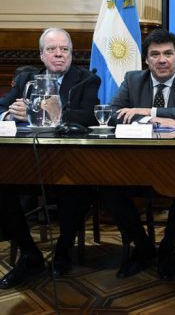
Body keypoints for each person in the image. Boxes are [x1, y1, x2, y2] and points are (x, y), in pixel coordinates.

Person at [103, 28, 175, 279]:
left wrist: (151, 112)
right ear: (146, 60)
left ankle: (168, 248)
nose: (162, 60)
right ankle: (143, 247)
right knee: (108, 188)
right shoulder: (133, 80)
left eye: (168, 54)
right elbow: (113, 114)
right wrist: (152, 119)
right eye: (155, 54)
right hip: (137, 163)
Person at [0, 27, 100, 289]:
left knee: (75, 192)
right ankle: (30, 255)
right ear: (42, 55)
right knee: (2, 190)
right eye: (52, 49)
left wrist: (48, 113)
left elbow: (88, 116)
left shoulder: (86, 80)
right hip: (26, 161)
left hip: (69, 161)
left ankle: (63, 251)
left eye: (64, 49)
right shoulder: (27, 79)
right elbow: (2, 106)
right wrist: (10, 114)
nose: (59, 54)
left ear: (71, 54)